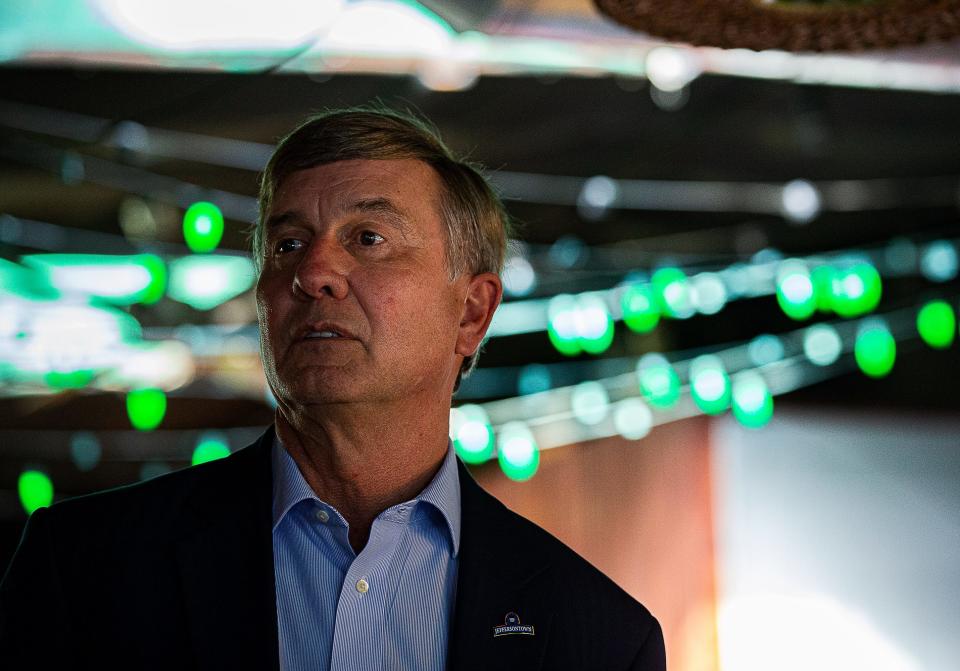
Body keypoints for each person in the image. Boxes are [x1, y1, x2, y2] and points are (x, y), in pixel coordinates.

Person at [0, 106, 665, 670]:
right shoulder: (84, 569)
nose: (314, 271)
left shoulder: (599, 638)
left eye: (368, 238)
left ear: (470, 313)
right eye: (287, 244)